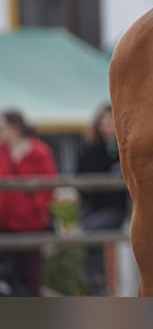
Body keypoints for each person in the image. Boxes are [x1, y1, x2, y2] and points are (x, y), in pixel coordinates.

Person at [0, 109, 58, 296]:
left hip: (31, 222)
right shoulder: (2, 152)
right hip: (4, 222)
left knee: (31, 275)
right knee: (7, 277)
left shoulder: (39, 151)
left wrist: (37, 207)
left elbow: (49, 183)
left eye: (2, 128)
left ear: (15, 128)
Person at [75, 104, 129, 295]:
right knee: (88, 230)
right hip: (93, 206)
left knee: (91, 230)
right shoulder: (91, 149)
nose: (107, 125)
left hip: (115, 208)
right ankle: (96, 278)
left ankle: (97, 276)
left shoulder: (126, 150)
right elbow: (80, 177)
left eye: (111, 120)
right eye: (104, 121)